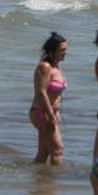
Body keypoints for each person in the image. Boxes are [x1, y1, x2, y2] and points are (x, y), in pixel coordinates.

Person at [30, 32, 67, 166]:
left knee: (44, 152)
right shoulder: (45, 67)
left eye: (65, 49)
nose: (65, 52)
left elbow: (56, 95)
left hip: (50, 113)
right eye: (62, 50)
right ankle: (54, 182)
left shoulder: (56, 67)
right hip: (42, 113)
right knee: (58, 149)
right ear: (52, 51)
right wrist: (51, 115)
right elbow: (42, 92)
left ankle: (40, 181)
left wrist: (56, 112)